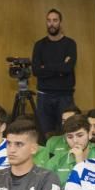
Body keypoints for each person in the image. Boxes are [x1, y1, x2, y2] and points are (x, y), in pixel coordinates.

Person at [31, 9, 77, 137]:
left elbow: (68, 69)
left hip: (65, 96)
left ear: (60, 23)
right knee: (46, 135)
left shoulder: (70, 44)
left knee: (67, 133)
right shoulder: (39, 45)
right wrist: (60, 67)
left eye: (55, 20)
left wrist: (46, 67)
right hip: (44, 96)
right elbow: (36, 71)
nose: (51, 24)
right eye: (49, 20)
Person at [41, 114, 95, 187]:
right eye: (70, 137)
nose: (75, 141)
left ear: (89, 134)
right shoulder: (57, 160)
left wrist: (80, 162)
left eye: (80, 135)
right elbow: (43, 185)